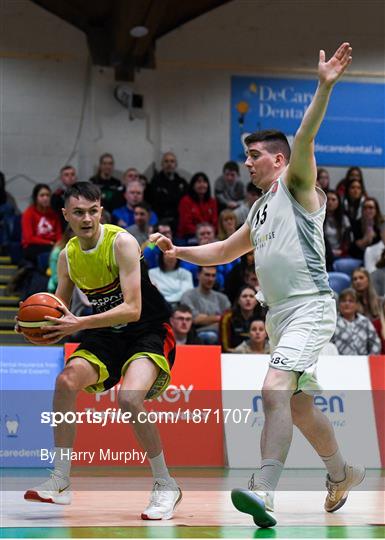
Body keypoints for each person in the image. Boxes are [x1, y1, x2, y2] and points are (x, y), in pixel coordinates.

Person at [150, 43, 364, 528]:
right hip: (281, 313)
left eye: (253, 156)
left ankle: (263, 490)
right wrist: (178, 251)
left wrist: (324, 86)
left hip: (310, 306)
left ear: (277, 160)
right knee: (299, 404)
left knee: (272, 390)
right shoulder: (259, 208)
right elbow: (225, 251)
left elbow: (305, 135)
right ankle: (342, 472)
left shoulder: (297, 185)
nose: (246, 163)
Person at [21, 182, 181, 519]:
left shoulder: (121, 242)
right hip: (105, 332)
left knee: (128, 398)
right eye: (78, 212)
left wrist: (78, 323)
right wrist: (35, 326)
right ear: (65, 215)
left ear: (101, 212)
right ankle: (61, 480)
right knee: (65, 382)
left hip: (147, 329)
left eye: (93, 211)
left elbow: (133, 308)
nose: (87, 218)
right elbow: (58, 309)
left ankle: (165, 485)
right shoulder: (67, 257)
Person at [180, 266, 230, 344]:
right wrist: (218, 318)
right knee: (210, 336)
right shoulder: (188, 296)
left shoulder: (222, 298)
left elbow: (227, 320)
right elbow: (195, 320)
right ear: (198, 275)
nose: (210, 279)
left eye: (213, 276)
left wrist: (205, 318)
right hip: (197, 333)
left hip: (222, 334)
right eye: (207, 275)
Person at [145, 152, 188, 232]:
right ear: (162, 164)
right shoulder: (155, 182)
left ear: (176, 164)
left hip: (177, 221)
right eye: (166, 161)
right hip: (159, 220)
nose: (169, 164)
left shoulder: (182, 183)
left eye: (172, 161)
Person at [331, 288, 381, 355]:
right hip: (339, 362)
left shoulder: (365, 322)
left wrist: (369, 359)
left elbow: (376, 344)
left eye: (351, 301)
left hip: (363, 362)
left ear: (357, 305)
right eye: (343, 301)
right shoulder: (333, 322)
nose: (347, 303)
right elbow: (329, 346)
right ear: (339, 304)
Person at [21, 183, 62, 265]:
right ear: (36, 198)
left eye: (48, 195)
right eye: (42, 195)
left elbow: (59, 235)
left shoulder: (54, 214)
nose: (45, 198)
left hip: (52, 245)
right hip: (33, 246)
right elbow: (29, 238)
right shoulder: (29, 213)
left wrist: (59, 244)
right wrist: (49, 243)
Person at [220, 286, 266, 352]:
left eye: (251, 296)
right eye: (244, 296)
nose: (248, 299)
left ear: (256, 301)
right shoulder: (228, 318)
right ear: (238, 300)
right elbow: (225, 347)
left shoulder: (263, 317)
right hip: (234, 354)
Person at [177, 172, 218, 241]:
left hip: (209, 236)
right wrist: (201, 233)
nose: (202, 185)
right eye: (199, 182)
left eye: (204, 182)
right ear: (193, 185)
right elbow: (186, 224)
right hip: (189, 236)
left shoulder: (212, 201)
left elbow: (215, 222)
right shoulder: (185, 201)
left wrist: (208, 233)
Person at [323, 190, 351, 259]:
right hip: (323, 253)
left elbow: (348, 241)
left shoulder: (344, 219)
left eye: (333, 200)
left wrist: (342, 251)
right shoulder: (318, 218)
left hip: (340, 253)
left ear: (338, 202)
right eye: (328, 199)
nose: (330, 202)